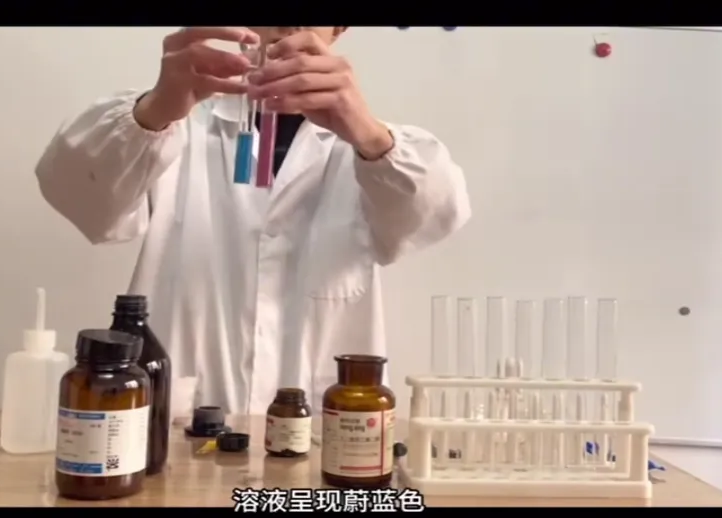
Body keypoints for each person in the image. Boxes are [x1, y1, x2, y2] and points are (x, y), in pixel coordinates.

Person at [36, 26, 471, 414]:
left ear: (340, 27)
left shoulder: (375, 153)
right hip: (181, 428)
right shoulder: (172, 126)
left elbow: (437, 212)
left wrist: (369, 134)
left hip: (328, 439)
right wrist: (153, 111)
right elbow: (78, 195)